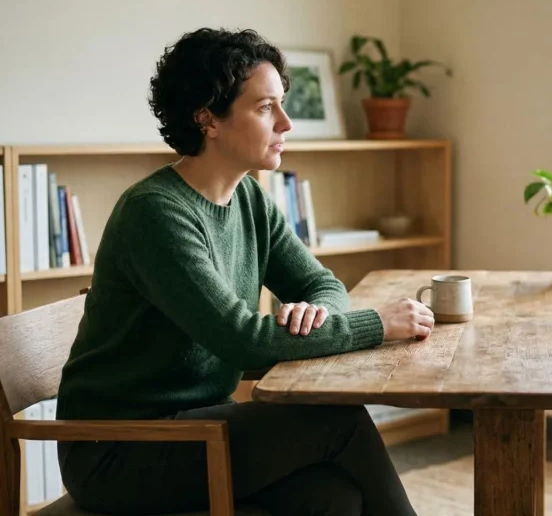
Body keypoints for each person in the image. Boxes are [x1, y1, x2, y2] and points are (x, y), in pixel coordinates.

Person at [55, 27, 434, 515]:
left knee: (332, 498)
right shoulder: (155, 213)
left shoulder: (248, 197)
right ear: (207, 119)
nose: (286, 123)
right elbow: (243, 339)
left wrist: (315, 313)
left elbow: (322, 283)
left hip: (197, 429)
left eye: (281, 104)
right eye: (264, 108)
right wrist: (377, 324)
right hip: (120, 451)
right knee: (336, 422)